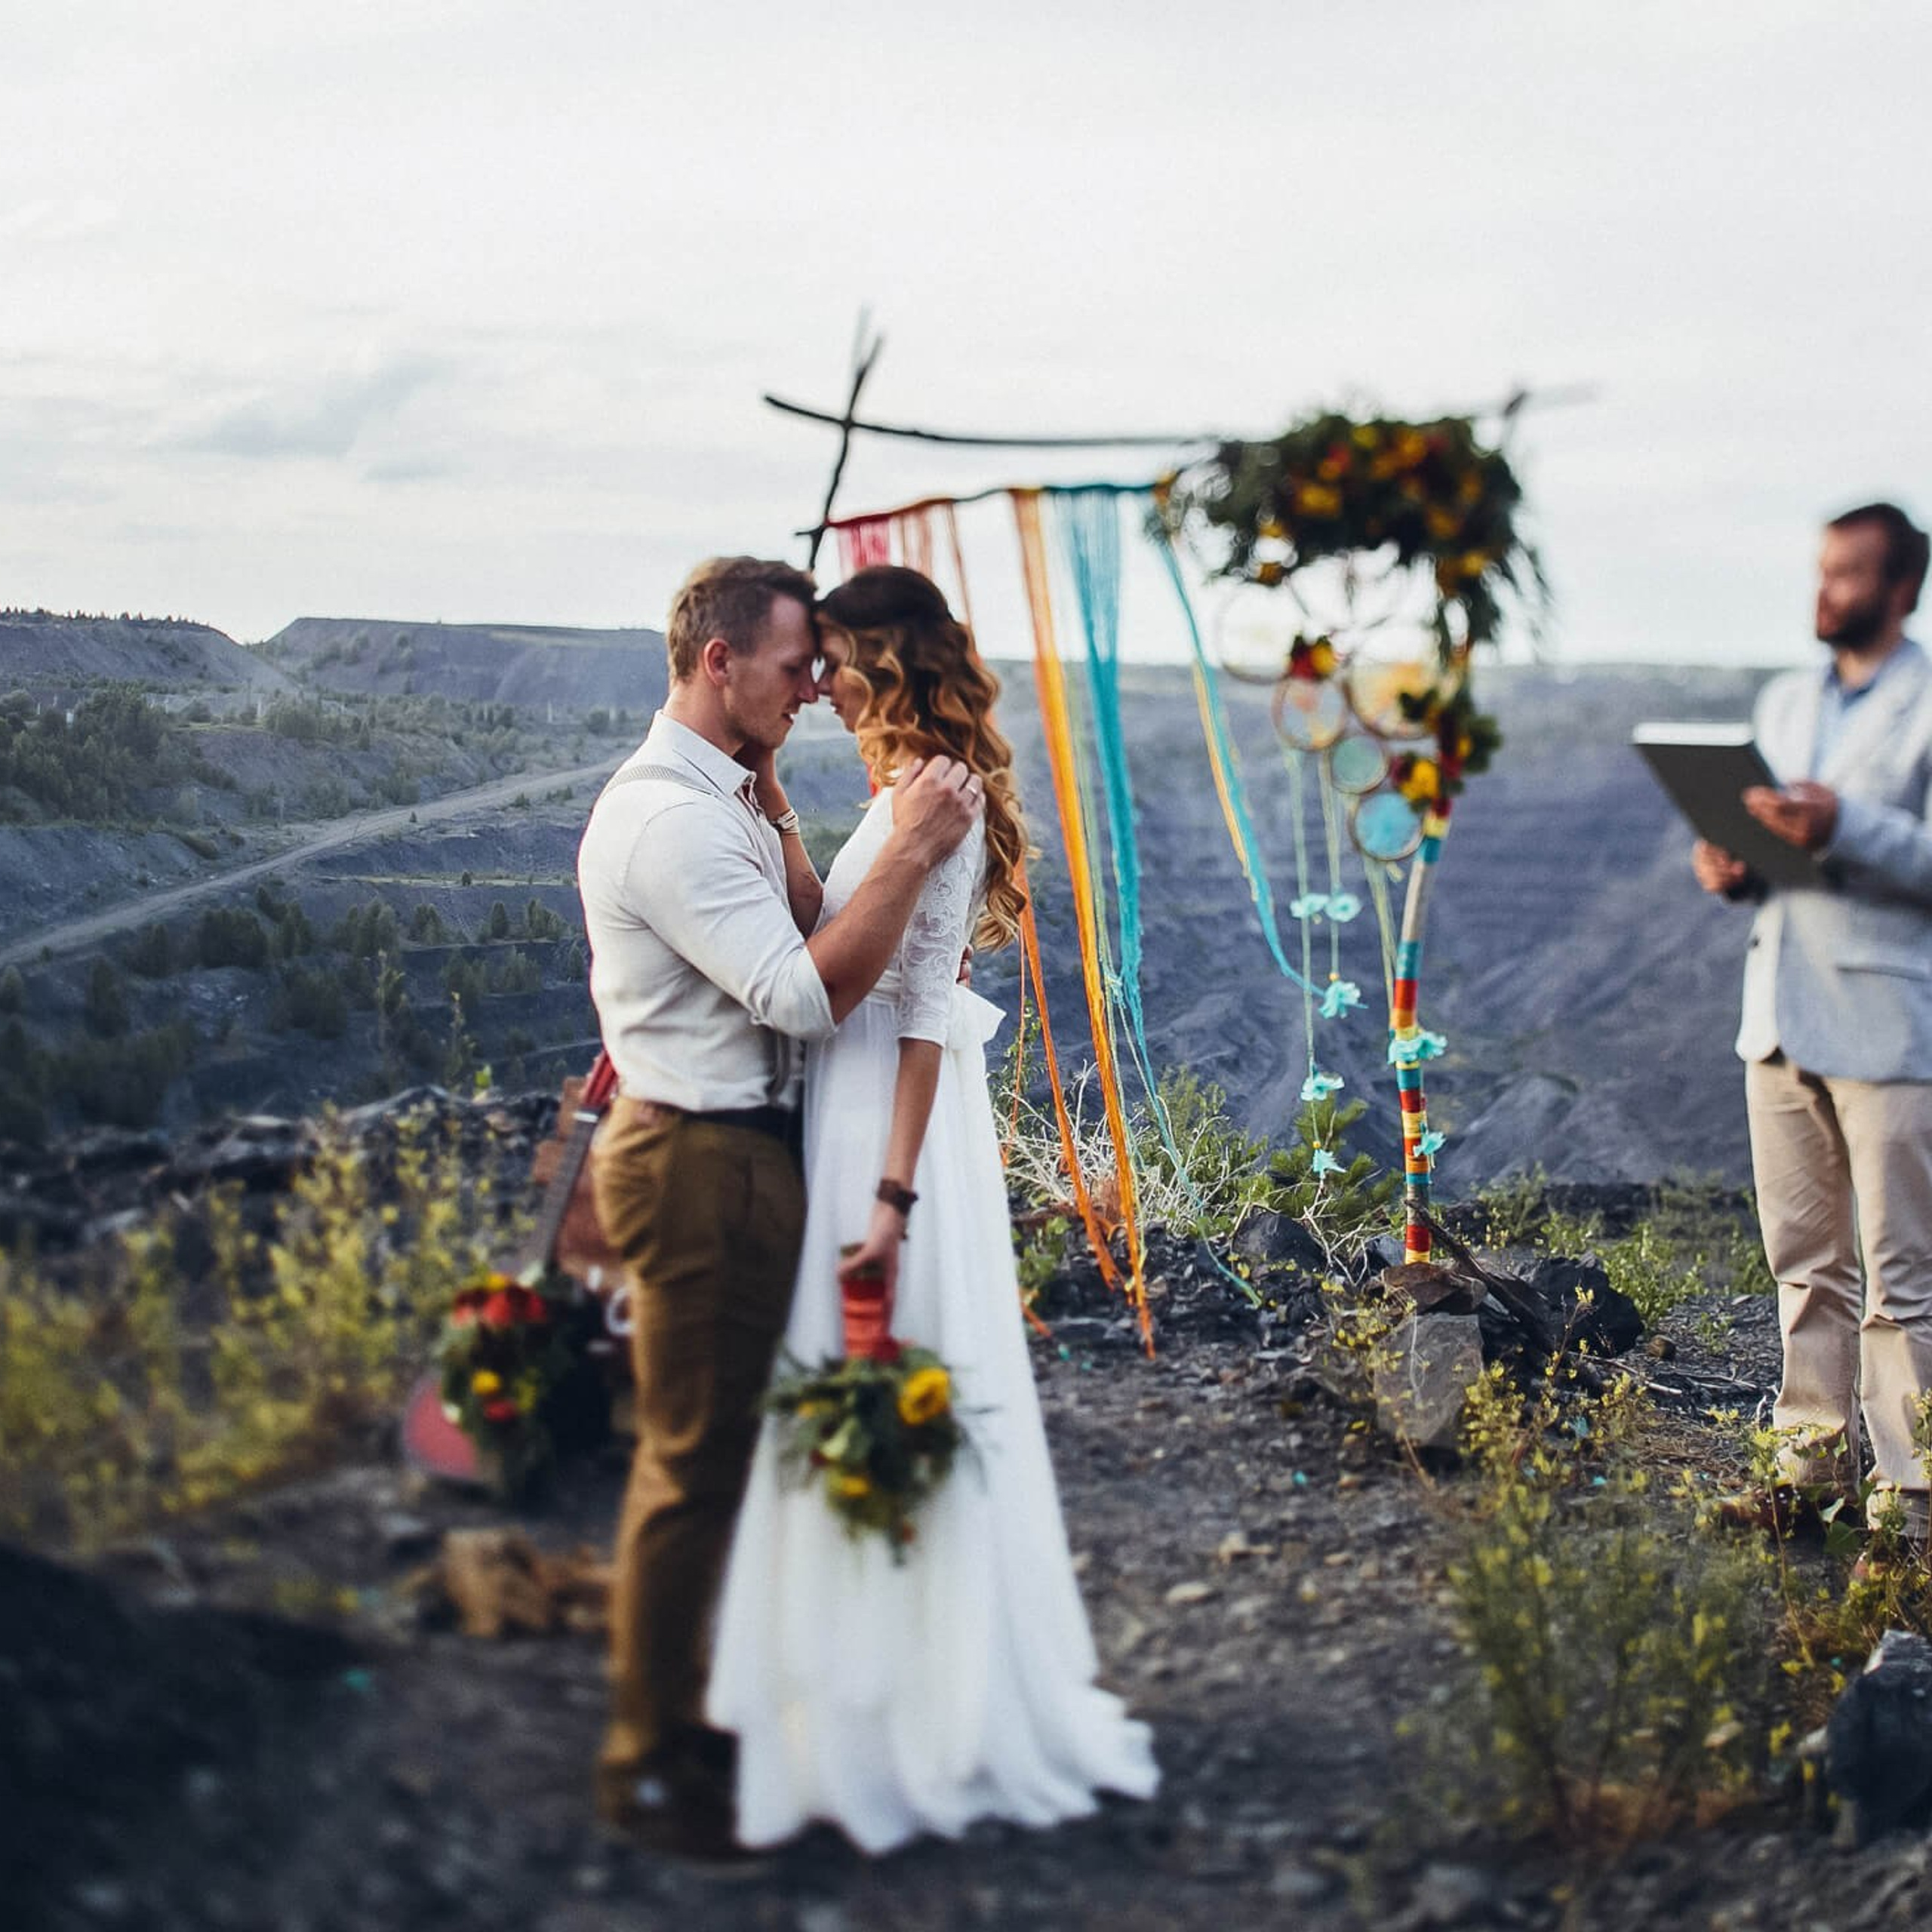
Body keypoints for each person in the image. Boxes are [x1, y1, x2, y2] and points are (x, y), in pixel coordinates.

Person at [706, 565, 1159, 1854]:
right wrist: (785, 810)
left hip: (886, 1131)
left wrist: (894, 1198)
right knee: (843, 1375)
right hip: (845, 1107)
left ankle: (917, 1700)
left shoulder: (937, 800)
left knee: (878, 1363)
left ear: (885, 661)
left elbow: (913, 1023)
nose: (818, 679)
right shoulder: (903, 792)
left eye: (833, 657)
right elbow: (825, 933)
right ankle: (856, 1683)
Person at [577, 555, 983, 1859]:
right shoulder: (676, 821)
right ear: (720, 664)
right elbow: (806, 997)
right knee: (691, 1468)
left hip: (746, 1154)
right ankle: (652, 1765)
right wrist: (912, 846)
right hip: (703, 1161)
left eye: (828, 666)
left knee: (726, 1459)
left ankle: (700, 1717)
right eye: (798, 664)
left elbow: (812, 931)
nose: (817, 688)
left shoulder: (730, 800)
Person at [1694, 502, 1932, 1540]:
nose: (1823, 593)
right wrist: (1728, 867)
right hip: (1777, 1014)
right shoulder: (1785, 704)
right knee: (1804, 1262)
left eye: (1845, 575)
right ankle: (1807, 1475)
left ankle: (1912, 1502)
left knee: (1903, 1277)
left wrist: (1849, 824)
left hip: (1889, 1022)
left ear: (1902, 590)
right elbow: (1767, 849)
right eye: (1820, 572)